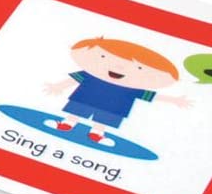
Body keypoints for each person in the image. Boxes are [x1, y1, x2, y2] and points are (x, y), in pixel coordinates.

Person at [43, 36, 192, 145]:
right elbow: (74, 80)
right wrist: (58, 86)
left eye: (139, 67)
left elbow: (151, 96)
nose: (119, 67)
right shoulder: (91, 75)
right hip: (84, 99)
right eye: (103, 56)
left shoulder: (132, 87)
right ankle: (67, 124)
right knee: (75, 112)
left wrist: (174, 100)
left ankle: (97, 134)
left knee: (102, 120)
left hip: (113, 108)